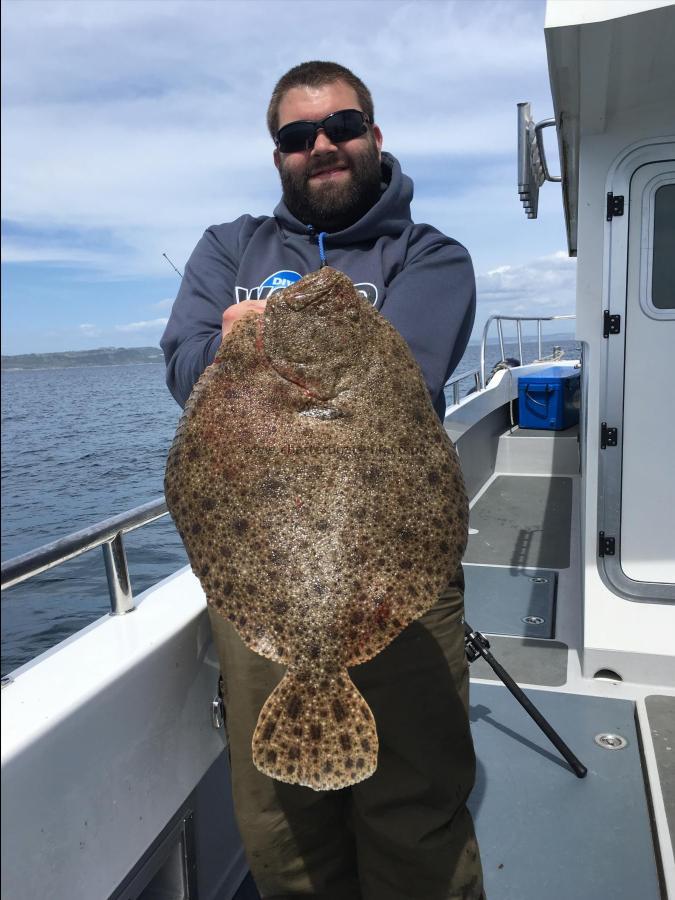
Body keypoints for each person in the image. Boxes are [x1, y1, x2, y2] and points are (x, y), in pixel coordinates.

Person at [161, 61, 485, 900]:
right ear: (279, 156)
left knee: (416, 813)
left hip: (394, 573)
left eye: (341, 127)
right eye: (298, 136)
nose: (322, 146)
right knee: (280, 826)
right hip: (265, 569)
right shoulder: (228, 245)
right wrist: (236, 349)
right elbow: (183, 364)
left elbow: (401, 375)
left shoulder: (429, 253)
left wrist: (268, 350)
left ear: (374, 136)